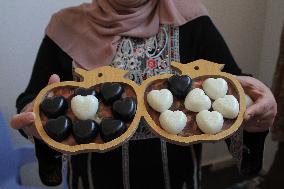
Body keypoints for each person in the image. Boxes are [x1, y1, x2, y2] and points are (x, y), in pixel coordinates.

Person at [10, 0, 277, 188]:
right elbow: (33, 101)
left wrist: (255, 120)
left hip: (175, 178)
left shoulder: (193, 21)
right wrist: (35, 119)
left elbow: (234, 92)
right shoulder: (65, 27)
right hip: (93, 180)